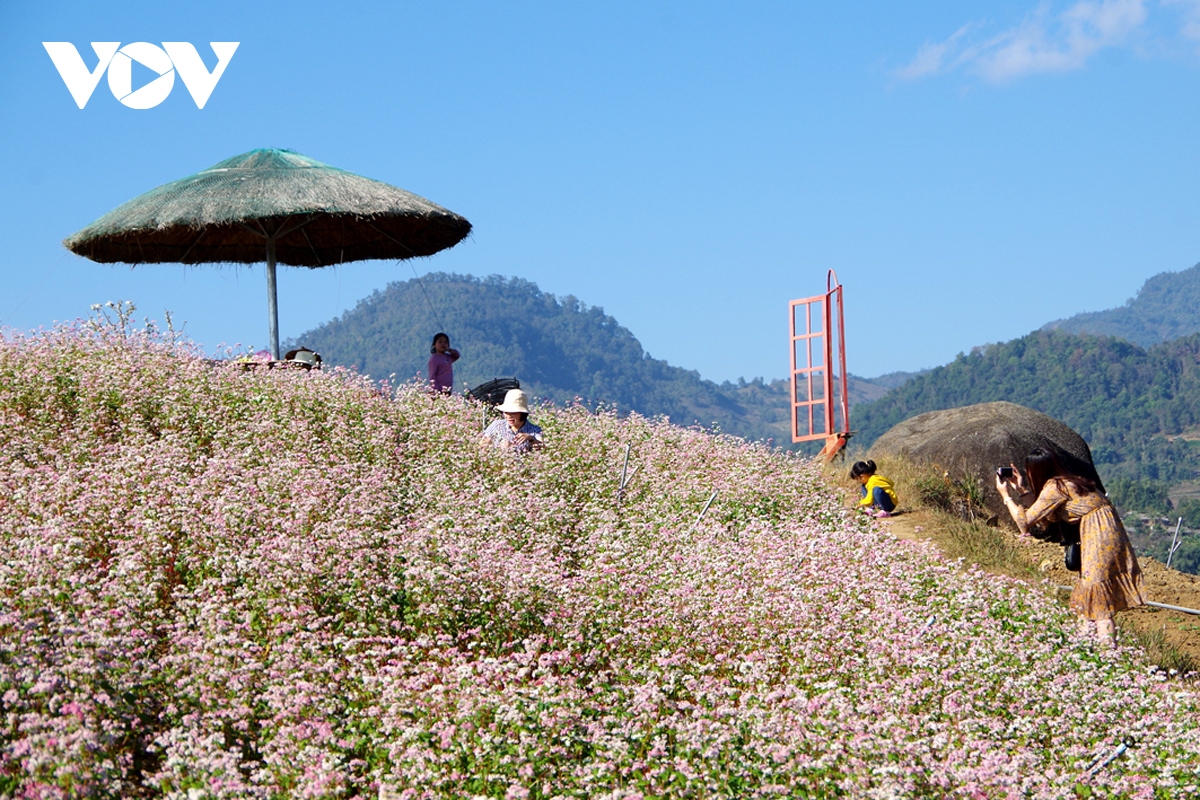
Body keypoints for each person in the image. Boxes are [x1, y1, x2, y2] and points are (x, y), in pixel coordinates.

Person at [996, 448, 1146, 647]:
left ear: (1035, 471)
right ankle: (1085, 647)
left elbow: (1025, 522)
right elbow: (1044, 516)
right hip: (1108, 533)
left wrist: (1005, 495)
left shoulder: (1055, 487)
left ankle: (1108, 654)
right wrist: (1022, 491)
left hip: (1097, 537)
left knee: (1099, 599)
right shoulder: (1071, 481)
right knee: (1089, 592)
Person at [481, 389, 544, 453]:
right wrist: (498, 447)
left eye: (513, 413)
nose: (509, 416)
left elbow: (541, 448)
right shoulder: (496, 426)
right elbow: (482, 446)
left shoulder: (534, 430)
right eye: (506, 412)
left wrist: (530, 438)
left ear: (522, 413)